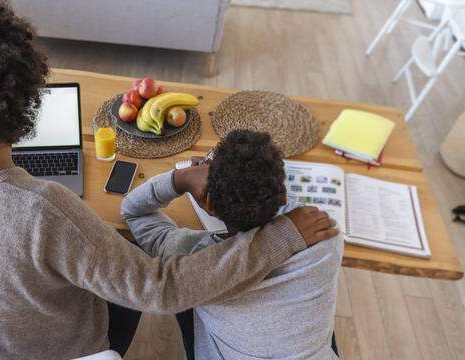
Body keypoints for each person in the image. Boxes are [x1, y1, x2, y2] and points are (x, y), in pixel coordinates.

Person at [0, 1, 338, 359]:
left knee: (114, 250)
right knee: (125, 257)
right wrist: (281, 237)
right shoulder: (41, 207)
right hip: (50, 351)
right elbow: (160, 289)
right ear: (25, 98)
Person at [121, 129, 343, 359]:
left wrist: (182, 178)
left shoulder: (190, 260)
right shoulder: (325, 235)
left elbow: (133, 211)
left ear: (209, 205)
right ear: (284, 195)